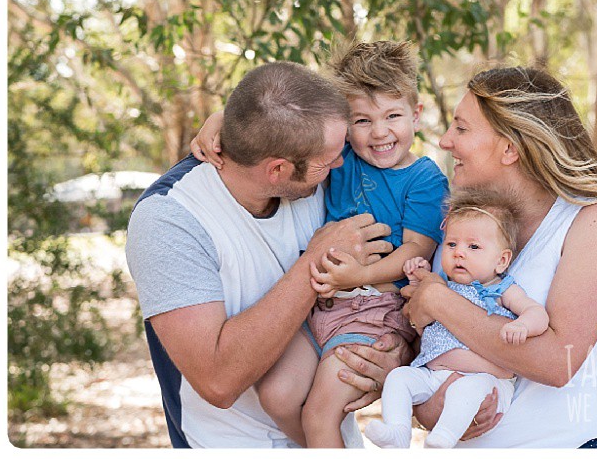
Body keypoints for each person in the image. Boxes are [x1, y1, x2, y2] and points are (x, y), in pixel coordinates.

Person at [126, 61, 411, 448]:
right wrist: (314, 262)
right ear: (277, 169)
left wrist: (396, 355)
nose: (342, 163)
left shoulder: (317, 169)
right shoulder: (171, 218)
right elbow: (217, 380)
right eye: (328, 161)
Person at [190, 41, 448, 448]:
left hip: (373, 309)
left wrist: (359, 274)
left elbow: (416, 252)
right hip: (319, 306)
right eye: (362, 120)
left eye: (393, 116)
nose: (379, 132)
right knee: (277, 395)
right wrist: (220, 119)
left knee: (318, 415)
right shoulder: (342, 154)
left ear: (415, 115)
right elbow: (280, 122)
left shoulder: (425, 178)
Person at [400, 64, 597, 448]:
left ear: (509, 148)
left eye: (462, 128)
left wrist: (438, 299)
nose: (445, 142)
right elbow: (434, 353)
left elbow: (557, 362)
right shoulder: (459, 225)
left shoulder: (588, 223)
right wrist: (431, 408)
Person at [365, 187, 549, 448]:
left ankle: (444, 439)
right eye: (452, 244)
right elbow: (419, 306)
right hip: (434, 374)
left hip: (485, 380)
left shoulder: (501, 289)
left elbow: (536, 313)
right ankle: (397, 431)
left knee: (465, 391)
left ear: (501, 260)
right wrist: (419, 275)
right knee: (399, 378)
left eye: (473, 246)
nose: (459, 252)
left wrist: (522, 325)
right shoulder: (444, 285)